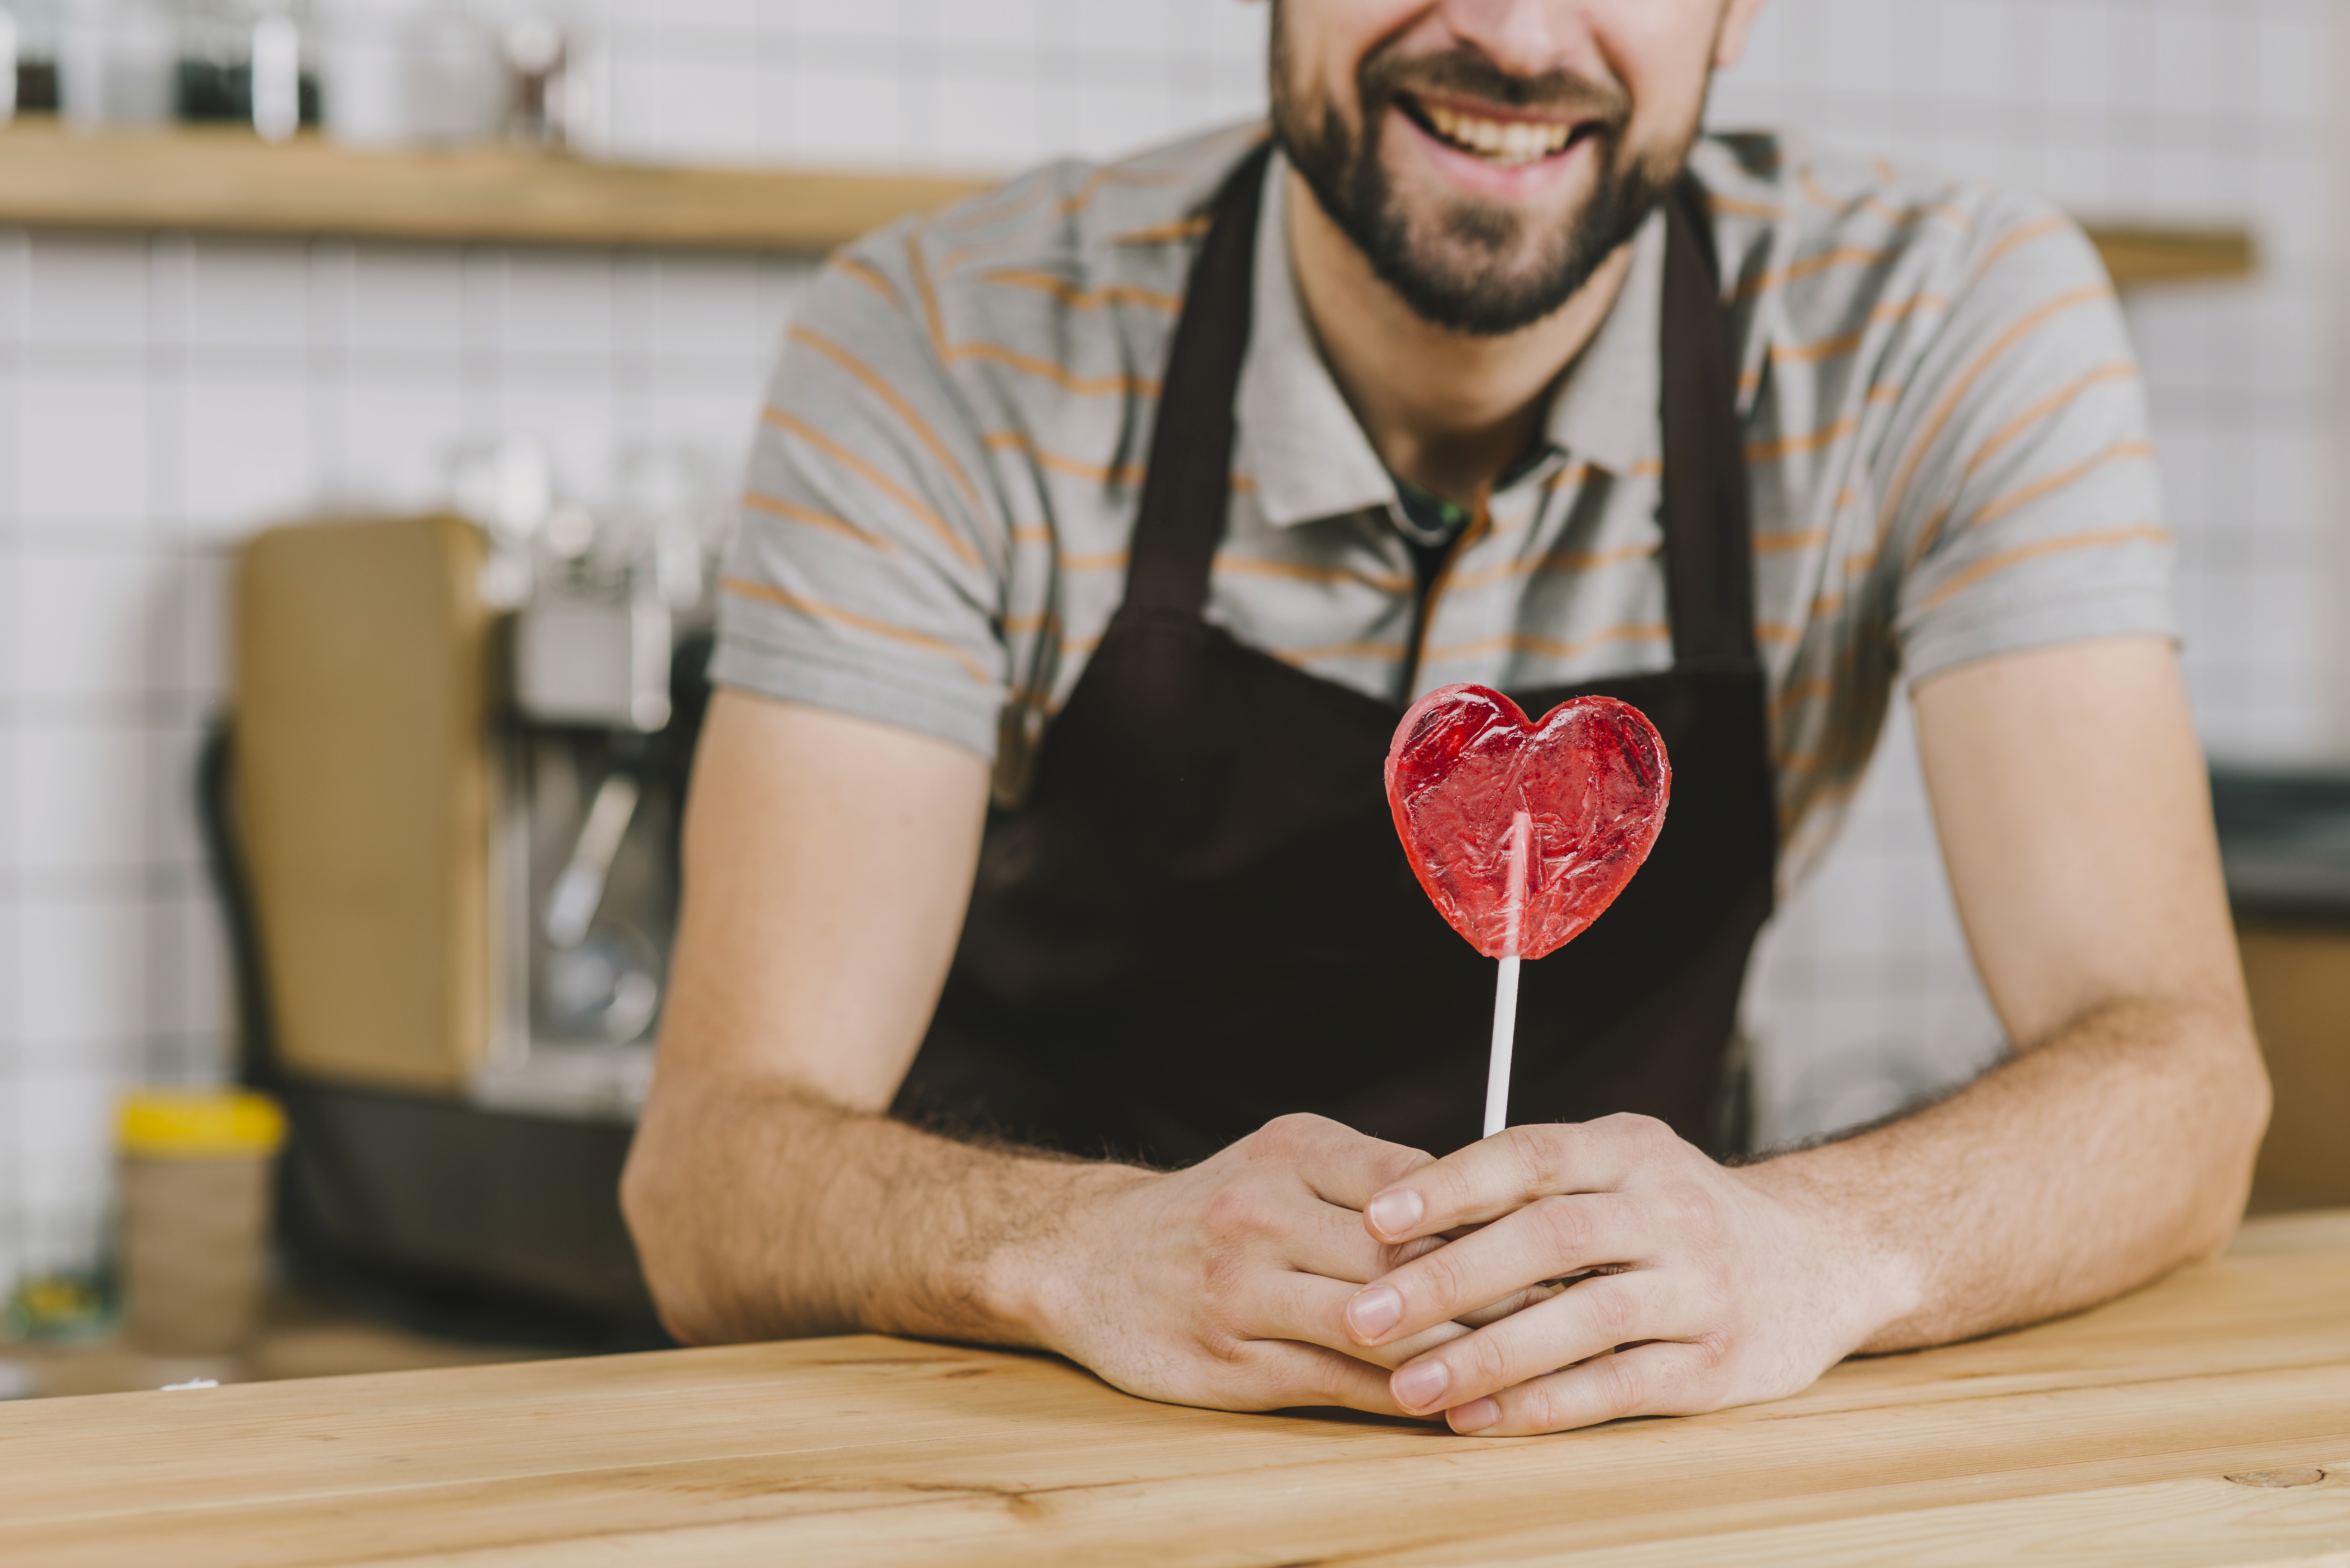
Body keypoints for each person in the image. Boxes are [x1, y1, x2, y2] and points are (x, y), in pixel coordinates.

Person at [620, 0, 2269, 1437]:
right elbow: (707, 1179)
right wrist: (1065, 1254)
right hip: (1012, 1432)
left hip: (1618, 1444)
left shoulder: (1944, 325)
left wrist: (1800, 1251)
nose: (1521, 34)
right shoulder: (941, 342)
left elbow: (2184, 1080)